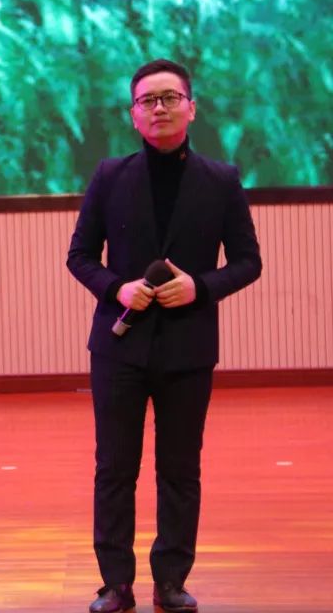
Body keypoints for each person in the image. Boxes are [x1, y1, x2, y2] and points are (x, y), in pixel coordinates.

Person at [67, 59, 262, 613]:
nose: (159, 108)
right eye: (147, 100)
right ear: (133, 115)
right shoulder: (109, 175)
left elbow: (248, 262)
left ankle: (171, 580)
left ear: (191, 108)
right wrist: (117, 289)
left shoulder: (221, 180)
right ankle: (115, 584)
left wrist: (200, 287)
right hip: (119, 346)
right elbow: (80, 256)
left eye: (170, 98)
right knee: (115, 468)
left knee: (180, 469)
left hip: (188, 347)